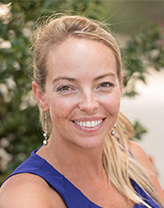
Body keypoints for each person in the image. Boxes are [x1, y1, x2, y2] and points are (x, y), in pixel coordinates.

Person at [0, 15, 164, 208]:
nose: (89, 104)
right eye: (66, 87)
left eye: (104, 84)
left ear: (119, 85)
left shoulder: (133, 159)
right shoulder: (26, 196)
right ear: (41, 96)